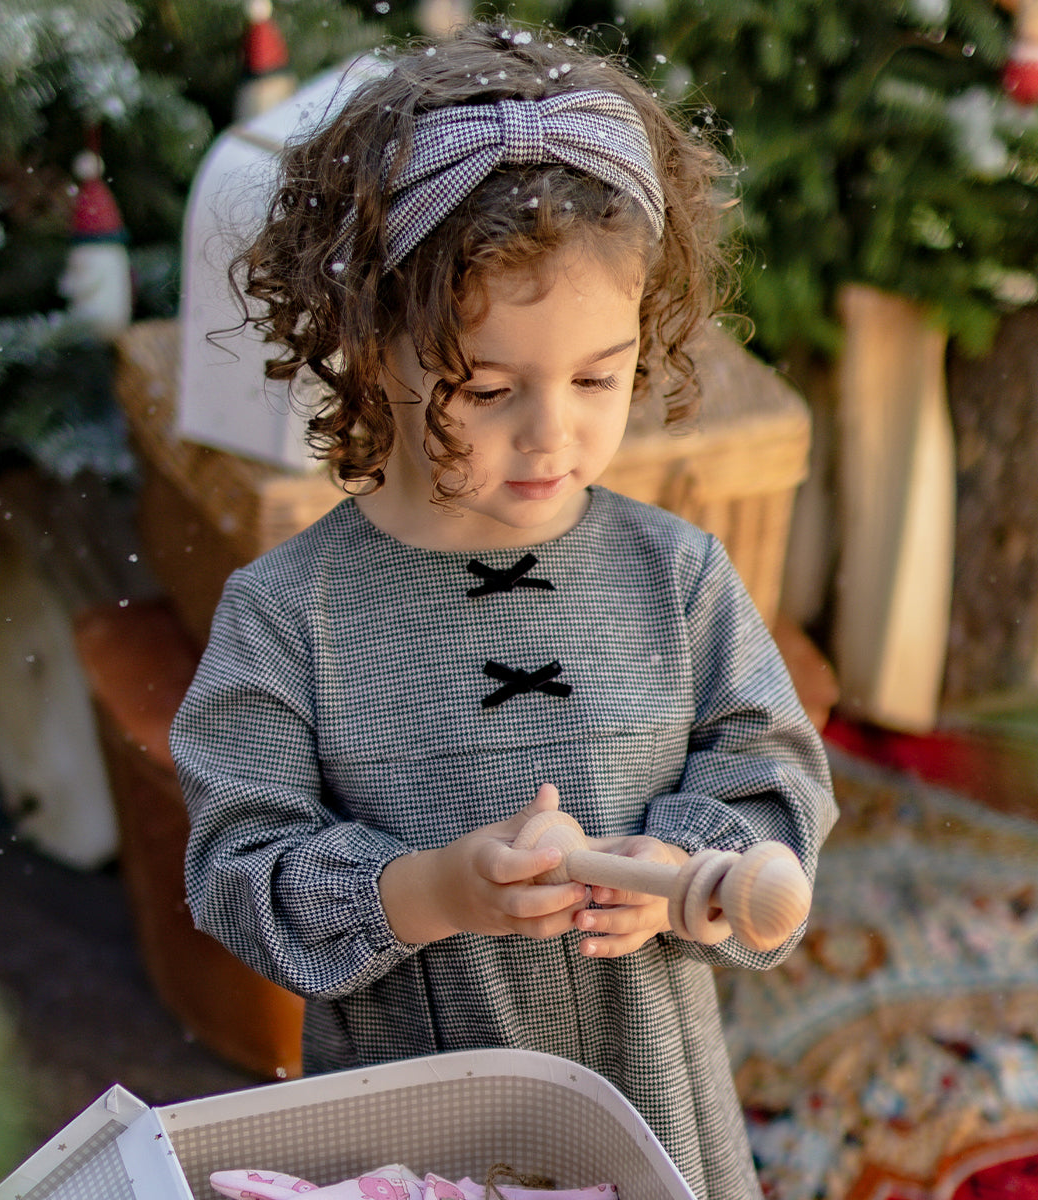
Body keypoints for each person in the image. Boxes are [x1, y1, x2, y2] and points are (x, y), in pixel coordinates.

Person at [171, 22, 837, 1200]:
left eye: (598, 376)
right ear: (373, 346)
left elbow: (770, 777)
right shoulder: (286, 614)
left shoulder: (676, 577)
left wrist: (691, 863)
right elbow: (239, 866)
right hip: (418, 1135)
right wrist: (426, 891)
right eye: (487, 388)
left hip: (652, 1110)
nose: (553, 433)